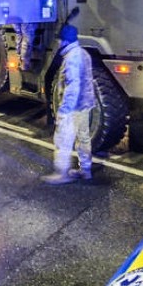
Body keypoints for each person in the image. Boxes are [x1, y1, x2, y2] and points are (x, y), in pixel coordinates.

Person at [42, 24, 96, 185]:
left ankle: (61, 173)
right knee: (83, 138)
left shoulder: (72, 57)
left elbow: (73, 85)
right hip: (85, 105)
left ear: (65, 41)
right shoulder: (83, 53)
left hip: (74, 108)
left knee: (63, 140)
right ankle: (85, 170)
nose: (59, 43)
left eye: (60, 40)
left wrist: (64, 110)